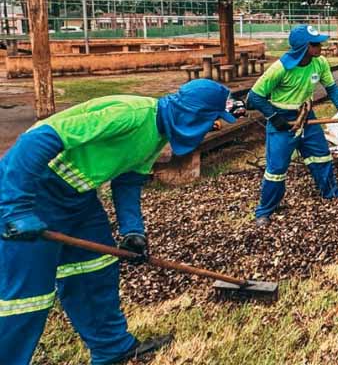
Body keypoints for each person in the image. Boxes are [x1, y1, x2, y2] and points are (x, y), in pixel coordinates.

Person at [0, 79, 239, 365]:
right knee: (28, 295)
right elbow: (37, 139)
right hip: (33, 191)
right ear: (194, 115)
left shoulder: (158, 133)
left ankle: (111, 348)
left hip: (78, 199)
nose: (216, 127)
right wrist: (15, 207)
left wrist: (133, 231)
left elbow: (128, 181)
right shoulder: (131, 115)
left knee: (95, 270)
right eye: (214, 119)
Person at [246, 25, 338, 226]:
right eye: (315, 44)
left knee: (321, 156)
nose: (320, 46)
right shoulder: (280, 68)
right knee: (276, 169)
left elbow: (331, 88)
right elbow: (254, 97)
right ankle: (264, 211)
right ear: (304, 48)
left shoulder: (319, 62)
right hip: (282, 121)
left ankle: (331, 194)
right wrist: (273, 116)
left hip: (307, 116)